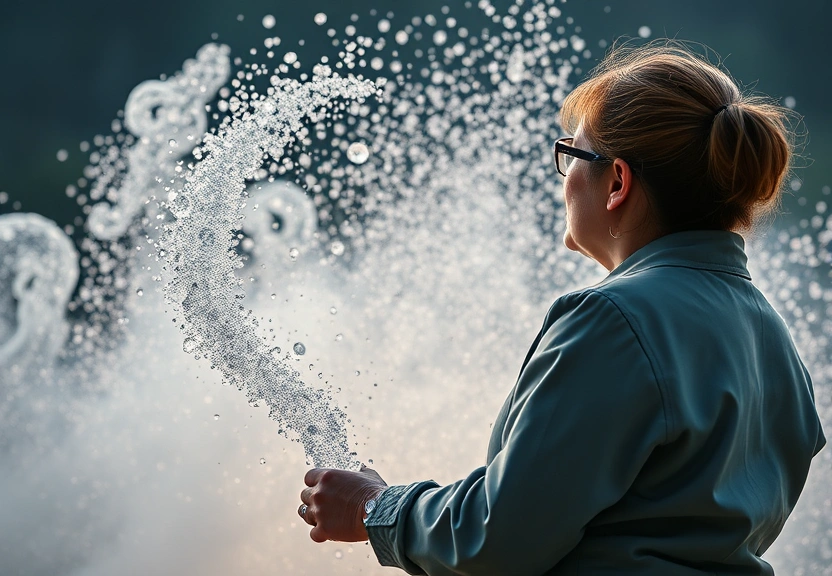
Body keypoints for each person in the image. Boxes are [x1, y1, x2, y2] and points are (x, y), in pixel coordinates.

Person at [297, 41, 827, 575]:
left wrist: (374, 508)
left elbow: (500, 536)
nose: (565, 176)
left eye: (573, 154)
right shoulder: (773, 338)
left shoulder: (615, 320)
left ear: (617, 182)